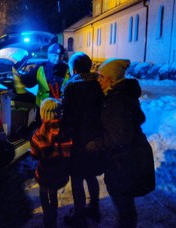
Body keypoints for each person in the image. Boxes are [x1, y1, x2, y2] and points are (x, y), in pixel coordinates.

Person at [97, 58, 155, 227]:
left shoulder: (118, 101)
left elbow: (120, 137)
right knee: (125, 205)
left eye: (102, 76)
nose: (99, 80)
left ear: (112, 79)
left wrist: (96, 144)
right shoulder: (118, 95)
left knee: (124, 206)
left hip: (125, 162)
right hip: (126, 160)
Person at [62, 52, 104, 227]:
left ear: (75, 68)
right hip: (94, 138)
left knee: (77, 177)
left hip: (78, 140)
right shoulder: (97, 85)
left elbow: (68, 117)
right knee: (90, 174)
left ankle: (79, 214)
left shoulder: (72, 87)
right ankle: (94, 207)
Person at [30, 97, 72, 228]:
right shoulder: (66, 131)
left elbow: (34, 155)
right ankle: (53, 215)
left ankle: (47, 217)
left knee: (43, 193)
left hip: (44, 173)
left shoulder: (38, 134)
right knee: (53, 193)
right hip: (60, 173)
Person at [19, 43, 70, 110]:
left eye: (60, 56)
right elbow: (28, 82)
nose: (57, 58)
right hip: (43, 109)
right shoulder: (40, 68)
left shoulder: (68, 69)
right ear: (49, 55)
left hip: (61, 109)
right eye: (55, 55)